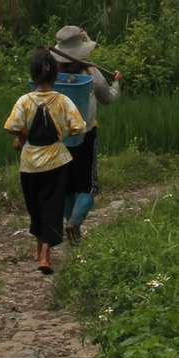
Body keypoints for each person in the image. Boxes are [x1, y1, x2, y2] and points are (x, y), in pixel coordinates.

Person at [4, 45, 88, 275]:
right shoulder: (62, 100)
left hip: (30, 163)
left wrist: (23, 137)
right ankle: (45, 254)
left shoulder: (25, 101)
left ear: (33, 76)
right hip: (56, 162)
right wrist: (62, 135)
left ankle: (40, 248)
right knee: (52, 205)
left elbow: (12, 126)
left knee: (35, 206)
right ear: (54, 76)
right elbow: (80, 126)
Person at [49, 24, 122, 245]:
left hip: (58, 139)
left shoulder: (51, 74)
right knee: (88, 186)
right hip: (85, 136)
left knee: (67, 186)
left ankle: (72, 229)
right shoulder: (90, 72)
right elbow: (107, 98)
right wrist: (117, 83)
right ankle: (75, 222)